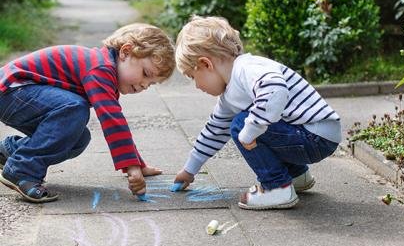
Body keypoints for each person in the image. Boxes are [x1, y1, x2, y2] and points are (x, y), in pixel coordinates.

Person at [173, 16, 341, 210]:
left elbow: (276, 89)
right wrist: (189, 170)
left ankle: (276, 188)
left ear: (206, 64)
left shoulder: (247, 68)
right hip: (312, 135)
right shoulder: (229, 95)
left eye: (193, 77)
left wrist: (251, 129)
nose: (196, 85)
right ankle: (297, 176)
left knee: (242, 124)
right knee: (246, 122)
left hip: (314, 136)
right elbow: (214, 131)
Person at [0, 23, 175, 203]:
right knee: (75, 108)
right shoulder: (100, 68)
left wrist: (138, 164)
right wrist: (132, 167)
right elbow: (112, 121)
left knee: (78, 139)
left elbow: (116, 125)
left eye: (152, 83)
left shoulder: (105, 72)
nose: (145, 85)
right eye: (146, 74)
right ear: (125, 52)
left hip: (17, 96)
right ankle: (22, 169)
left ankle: (10, 150)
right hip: (12, 90)